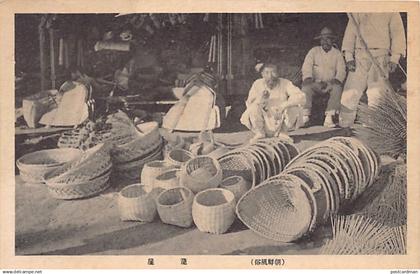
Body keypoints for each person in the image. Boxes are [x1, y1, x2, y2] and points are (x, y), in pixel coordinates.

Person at [339, 13, 406, 128]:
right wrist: (349, 57)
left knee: (377, 94)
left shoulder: (391, 9)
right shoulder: (358, 9)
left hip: (381, 57)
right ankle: (345, 126)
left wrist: (394, 58)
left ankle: (373, 128)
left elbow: (397, 34)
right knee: (350, 92)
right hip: (360, 55)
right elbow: (350, 32)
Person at [240, 63, 306, 143]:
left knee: (294, 107)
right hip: (263, 120)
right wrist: (261, 100)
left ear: (278, 73)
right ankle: (260, 133)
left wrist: (283, 106)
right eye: (267, 73)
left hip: (281, 119)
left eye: (273, 72)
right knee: (252, 108)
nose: (270, 76)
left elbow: (301, 96)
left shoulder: (285, 83)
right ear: (262, 74)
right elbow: (250, 102)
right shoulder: (257, 84)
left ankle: (283, 132)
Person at [301, 27, 346, 128]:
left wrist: (336, 80)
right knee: (306, 87)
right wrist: (308, 78)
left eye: (328, 39)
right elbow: (306, 66)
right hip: (315, 83)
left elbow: (341, 70)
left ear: (332, 40)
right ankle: (305, 116)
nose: (325, 41)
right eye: (323, 39)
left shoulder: (337, 54)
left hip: (330, 84)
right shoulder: (314, 51)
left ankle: (329, 117)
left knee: (337, 88)